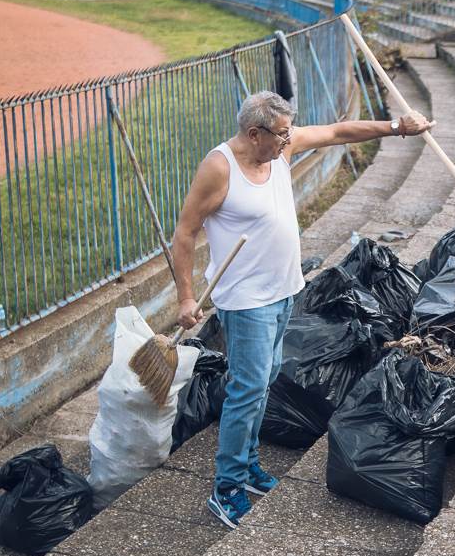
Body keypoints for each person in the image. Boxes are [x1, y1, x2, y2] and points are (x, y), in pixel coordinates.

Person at [170, 91, 434, 528]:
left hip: (284, 291)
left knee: (267, 379)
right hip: (247, 301)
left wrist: (396, 128)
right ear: (254, 134)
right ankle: (227, 486)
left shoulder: (279, 148)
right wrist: (184, 297)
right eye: (280, 134)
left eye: (290, 131)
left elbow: (335, 132)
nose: (288, 140)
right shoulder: (219, 168)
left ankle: (249, 463)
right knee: (247, 389)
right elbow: (184, 233)